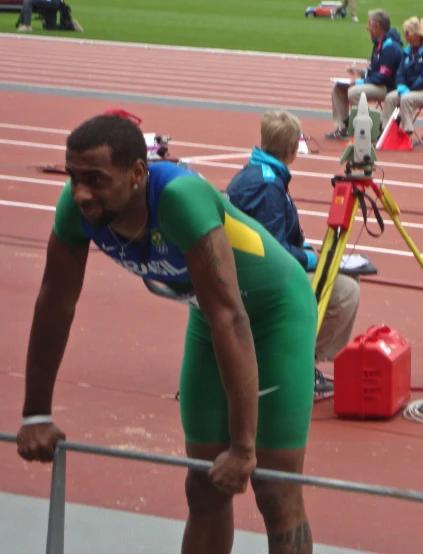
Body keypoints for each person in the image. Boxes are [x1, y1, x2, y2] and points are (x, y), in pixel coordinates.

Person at [15, 114, 318, 554]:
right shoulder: (78, 209)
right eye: (74, 178)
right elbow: (55, 302)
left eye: (95, 179)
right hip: (208, 312)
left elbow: (232, 318)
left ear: (138, 173)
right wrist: (36, 414)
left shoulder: (180, 198)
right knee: (204, 485)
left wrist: (244, 445)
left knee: (274, 490)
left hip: (274, 311)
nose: (81, 193)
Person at [226, 110, 361, 395]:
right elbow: (271, 252)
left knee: (342, 277)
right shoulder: (266, 185)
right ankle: (297, 365)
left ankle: (294, 359)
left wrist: (308, 253)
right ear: (291, 149)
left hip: (248, 269)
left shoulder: (261, 174)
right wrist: (310, 259)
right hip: (257, 278)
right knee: (346, 289)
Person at [325, 9, 403, 140]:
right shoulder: (380, 44)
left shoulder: (390, 47)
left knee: (354, 92)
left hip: (388, 87)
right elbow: (376, 72)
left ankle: (378, 121)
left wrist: (358, 82)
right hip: (379, 83)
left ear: (376, 26)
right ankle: (343, 127)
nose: (367, 28)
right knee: (338, 88)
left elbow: (383, 77)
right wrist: (360, 72)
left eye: (369, 25)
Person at [380, 16, 423, 136]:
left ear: (417, 35)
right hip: (409, 89)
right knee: (390, 98)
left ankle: (407, 132)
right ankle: (385, 131)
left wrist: (408, 91)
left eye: (408, 32)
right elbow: (400, 73)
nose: (405, 34)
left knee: (406, 99)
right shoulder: (407, 51)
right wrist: (401, 88)